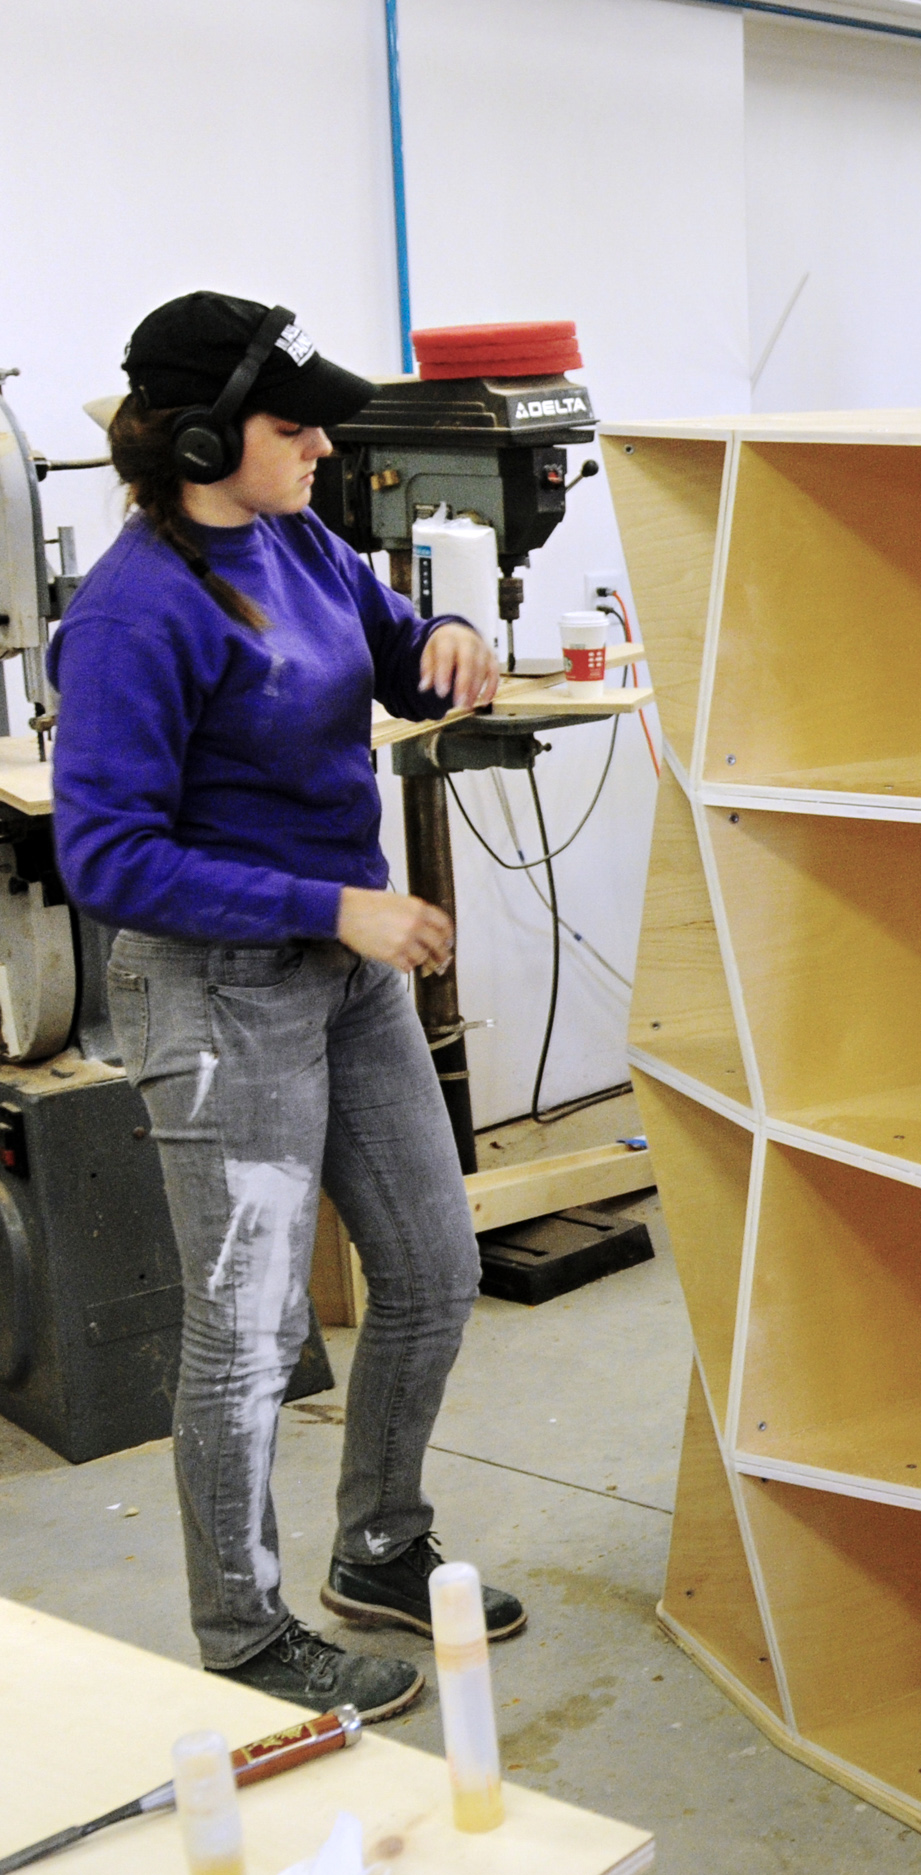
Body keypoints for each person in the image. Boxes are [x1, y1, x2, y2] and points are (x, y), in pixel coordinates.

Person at [50, 292, 526, 1721]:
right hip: (215, 993)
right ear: (202, 439)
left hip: (336, 977)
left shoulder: (302, 540)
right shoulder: (137, 612)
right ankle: (245, 1637)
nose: (323, 440)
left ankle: (379, 1546)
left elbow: (386, 645)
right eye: (291, 421)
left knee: (435, 1272)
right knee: (248, 1332)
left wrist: (443, 633)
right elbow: (108, 855)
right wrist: (336, 907)